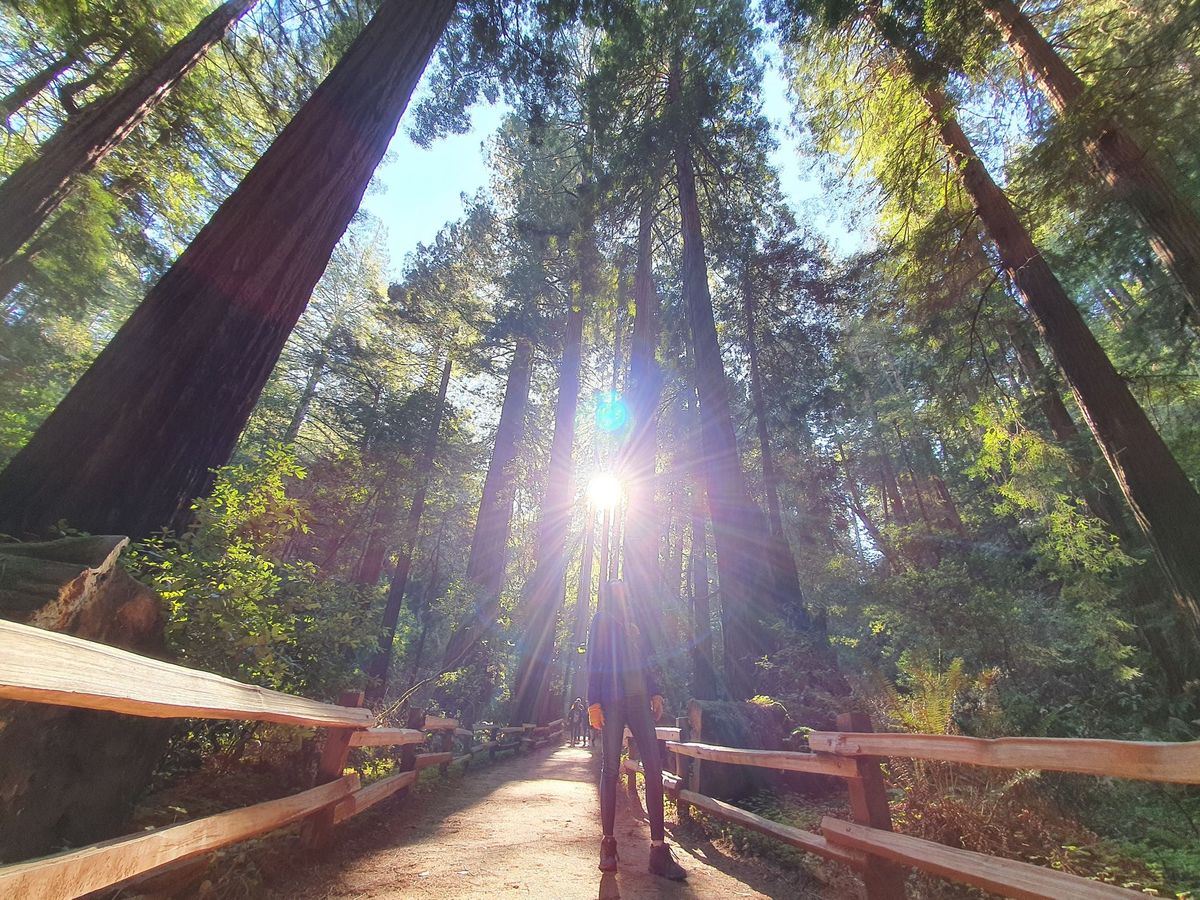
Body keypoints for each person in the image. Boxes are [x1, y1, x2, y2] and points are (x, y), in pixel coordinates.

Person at [587, 580, 686, 881]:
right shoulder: (601, 620)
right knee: (610, 769)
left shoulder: (635, 624)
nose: (623, 591)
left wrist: (655, 691)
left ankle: (658, 851)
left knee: (654, 768)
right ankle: (607, 847)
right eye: (617, 588)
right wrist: (593, 701)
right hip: (613, 702)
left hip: (640, 701)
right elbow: (594, 661)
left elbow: (645, 661)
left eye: (624, 588)